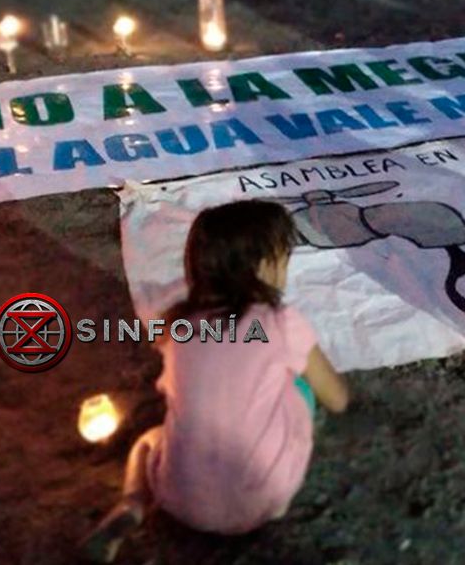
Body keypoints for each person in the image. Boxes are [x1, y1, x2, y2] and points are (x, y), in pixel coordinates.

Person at [80, 200, 350, 563]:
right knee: (298, 389)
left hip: (180, 501)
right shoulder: (280, 322)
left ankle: (132, 503)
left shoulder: (177, 327)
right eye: (284, 258)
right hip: (265, 499)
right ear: (265, 265)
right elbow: (338, 399)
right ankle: (276, 480)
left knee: (148, 441)